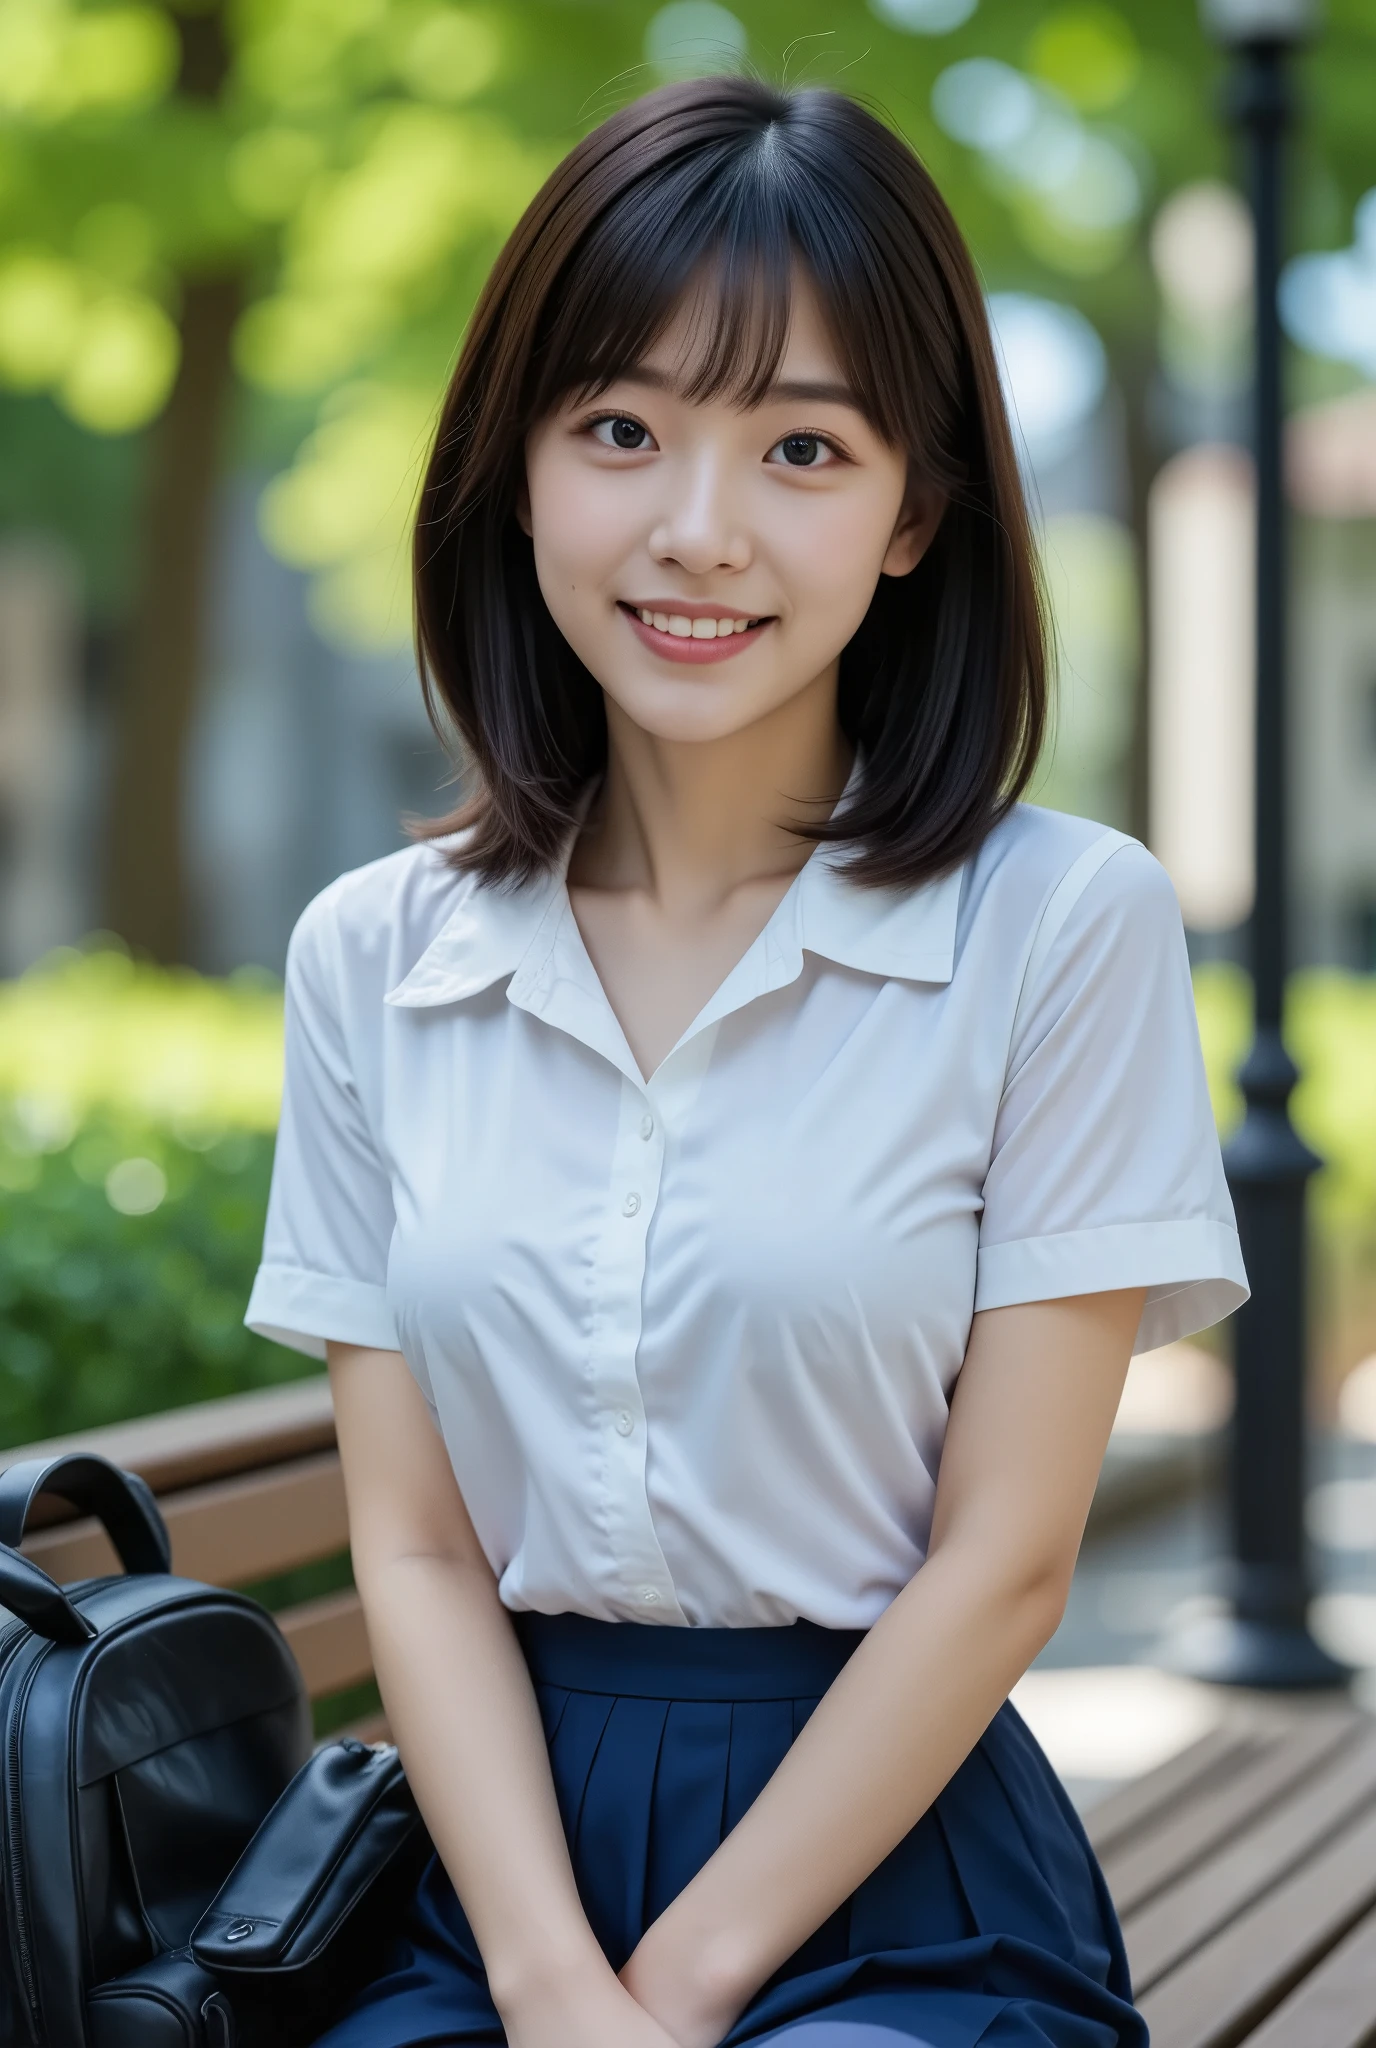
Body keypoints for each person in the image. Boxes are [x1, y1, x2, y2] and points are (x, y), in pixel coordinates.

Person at [245, 76, 1247, 2048]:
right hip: (485, 1875)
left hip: (898, 1885)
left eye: (801, 446)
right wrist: (546, 1987)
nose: (694, 531)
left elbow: (1006, 1561)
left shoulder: (1055, 927)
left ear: (912, 515)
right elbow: (423, 1548)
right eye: (619, 429)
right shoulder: (376, 957)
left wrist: (672, 1997)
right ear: (516, 469)